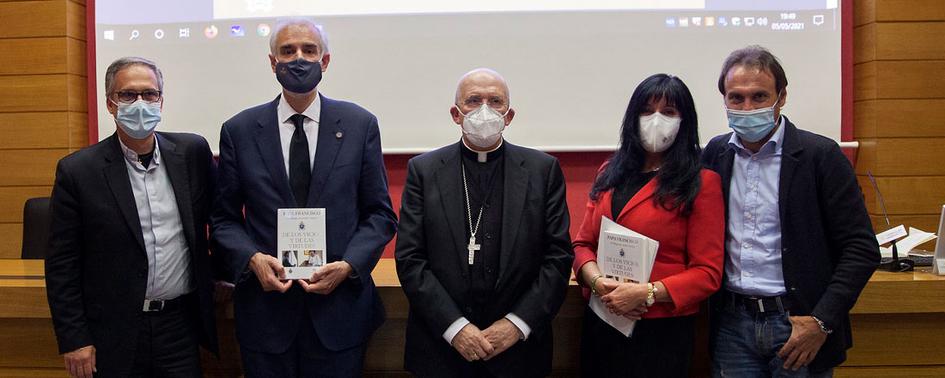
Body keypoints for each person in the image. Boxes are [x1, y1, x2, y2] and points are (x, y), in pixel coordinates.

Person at [211, 18, 396, 377]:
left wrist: (348, 266)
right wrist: (251, 259)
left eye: (309, 50)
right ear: (272, 62)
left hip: (339, 311)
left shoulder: (360, 124)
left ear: (325, 61)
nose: (299, 59)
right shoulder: (240, 130)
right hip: (266, 315)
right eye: (288, 51)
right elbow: (224, 218)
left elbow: (379, 214)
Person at [703, 46, 880, 377]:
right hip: (732, 325)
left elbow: (861, 248)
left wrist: (822, 320)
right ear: (724, 100)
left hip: (799, 324)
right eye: (736, 98)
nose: (747, 107)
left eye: (759, 96)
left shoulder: (821, 157)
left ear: (781, 97)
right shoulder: (715, 154)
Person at [45, 57, 218, 377]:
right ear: (110, 104)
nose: (140, 102)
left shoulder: (192, 153)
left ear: (161, 101)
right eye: (128, 95)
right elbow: (61, 264)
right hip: (111, 331)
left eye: (149, 94)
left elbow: (219, 219)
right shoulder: (78, 171)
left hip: (178, 327)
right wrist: (74, 338)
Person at [395, 68, 574, 377]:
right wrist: (455, 328)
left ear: (509, 115)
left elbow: (557, 258)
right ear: (455, 113)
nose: (484, 110)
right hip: (441, 349)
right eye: (473, 101)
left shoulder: (542, 171)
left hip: (518, 351)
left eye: (495, 101)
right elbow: (410, 259)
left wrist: (516, 325)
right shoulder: (423, 172)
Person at [571, 73, 724, 376]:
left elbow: (708, 273)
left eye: (668, 112)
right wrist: (600, 284)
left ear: (684, 121)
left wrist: (648, 293)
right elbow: (582, 245)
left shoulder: (702, 182)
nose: (656, 120)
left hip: (660, 329)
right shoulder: (609, 172)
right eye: (647, 111)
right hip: (604, 317)